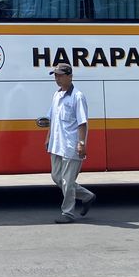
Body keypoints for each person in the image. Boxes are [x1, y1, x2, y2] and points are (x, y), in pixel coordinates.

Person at [42, 62, 96, 223]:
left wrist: (81, 143)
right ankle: (87, 196)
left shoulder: (77, 96)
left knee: (67, 181)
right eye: (56, 76)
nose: (57, 79)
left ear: (70, 76)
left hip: (71, 146)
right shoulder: (56, 95)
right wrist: (48, 137)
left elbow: (82, 123)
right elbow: (53, 119)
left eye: (60, 75)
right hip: (57, 144)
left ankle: (68, 213)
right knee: (56, 177)